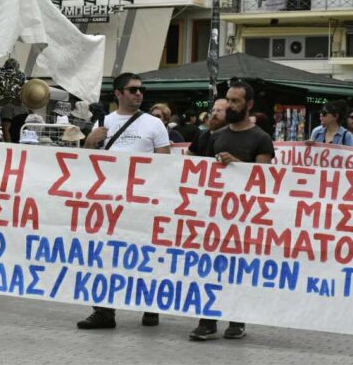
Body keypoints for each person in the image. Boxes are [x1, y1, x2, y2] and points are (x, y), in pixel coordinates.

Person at [77, 73, 170, 330]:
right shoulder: (103, 122)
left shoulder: (154, 124)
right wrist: (88, 143)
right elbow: (88, 164)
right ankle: (104, 311)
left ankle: (151, 306)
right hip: (107, 202)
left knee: (145, 253)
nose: (138, 94)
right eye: (132, 90)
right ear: (118, 93)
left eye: (141, 90)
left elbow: (167, 164)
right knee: (104, 255)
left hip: (142, 202)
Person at [189, 81, 274, 341]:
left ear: (249, 105)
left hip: (244, 217)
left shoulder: (261, 138)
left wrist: (237, 165)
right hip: (215, 214)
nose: (230, 105)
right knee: (210, 267)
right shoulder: (215, 136)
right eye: (228, 99)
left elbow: (263, 180)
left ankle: (237, 319)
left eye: (236, 101)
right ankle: (207, 320)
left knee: (238, 269)